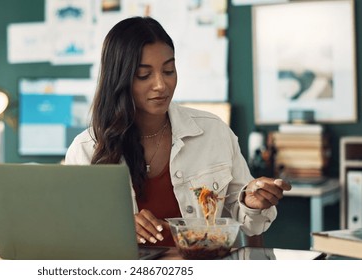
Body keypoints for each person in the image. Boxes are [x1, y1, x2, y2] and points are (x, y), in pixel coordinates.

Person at [64, 16, 291, 246]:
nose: (161, 85)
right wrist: (116, 228)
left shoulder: (213, 132)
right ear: (119, 79)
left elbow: (248, 223)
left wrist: (250, 202)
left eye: (169, 70)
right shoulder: (86, 150)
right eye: (144, 75)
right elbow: (74, 236)